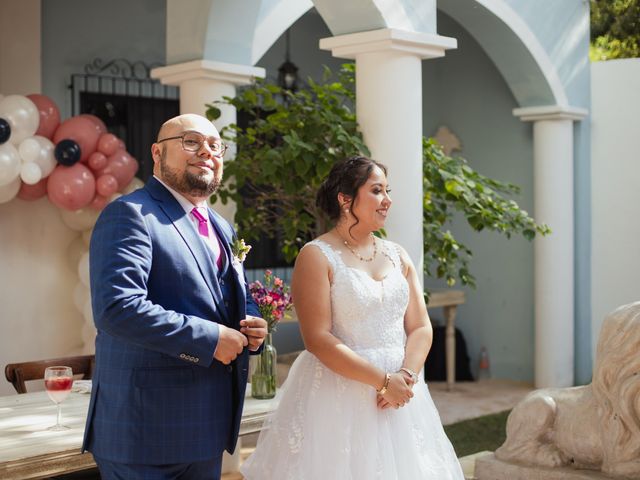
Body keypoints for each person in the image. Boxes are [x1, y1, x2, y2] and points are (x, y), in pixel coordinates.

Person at [241, 156, 464, 479]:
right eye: (376, 191)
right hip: (338, 393)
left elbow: (419, 326)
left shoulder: (398, 255)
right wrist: (383, 382)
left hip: (401, 394)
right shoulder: (316, 256)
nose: (387, 200)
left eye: (388, 190)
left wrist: (405, 377)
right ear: (345, 199)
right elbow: (318, 339)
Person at [82, 113, 267, 480]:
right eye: (191, 142)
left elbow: (229, 298)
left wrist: (252, 325)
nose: (206, 153)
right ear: (157, 152)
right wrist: (211, 338)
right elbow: (118, 308)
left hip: (205, 429)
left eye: (216, 146)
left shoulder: (220, 225)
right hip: (145, 432)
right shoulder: (130, 214)